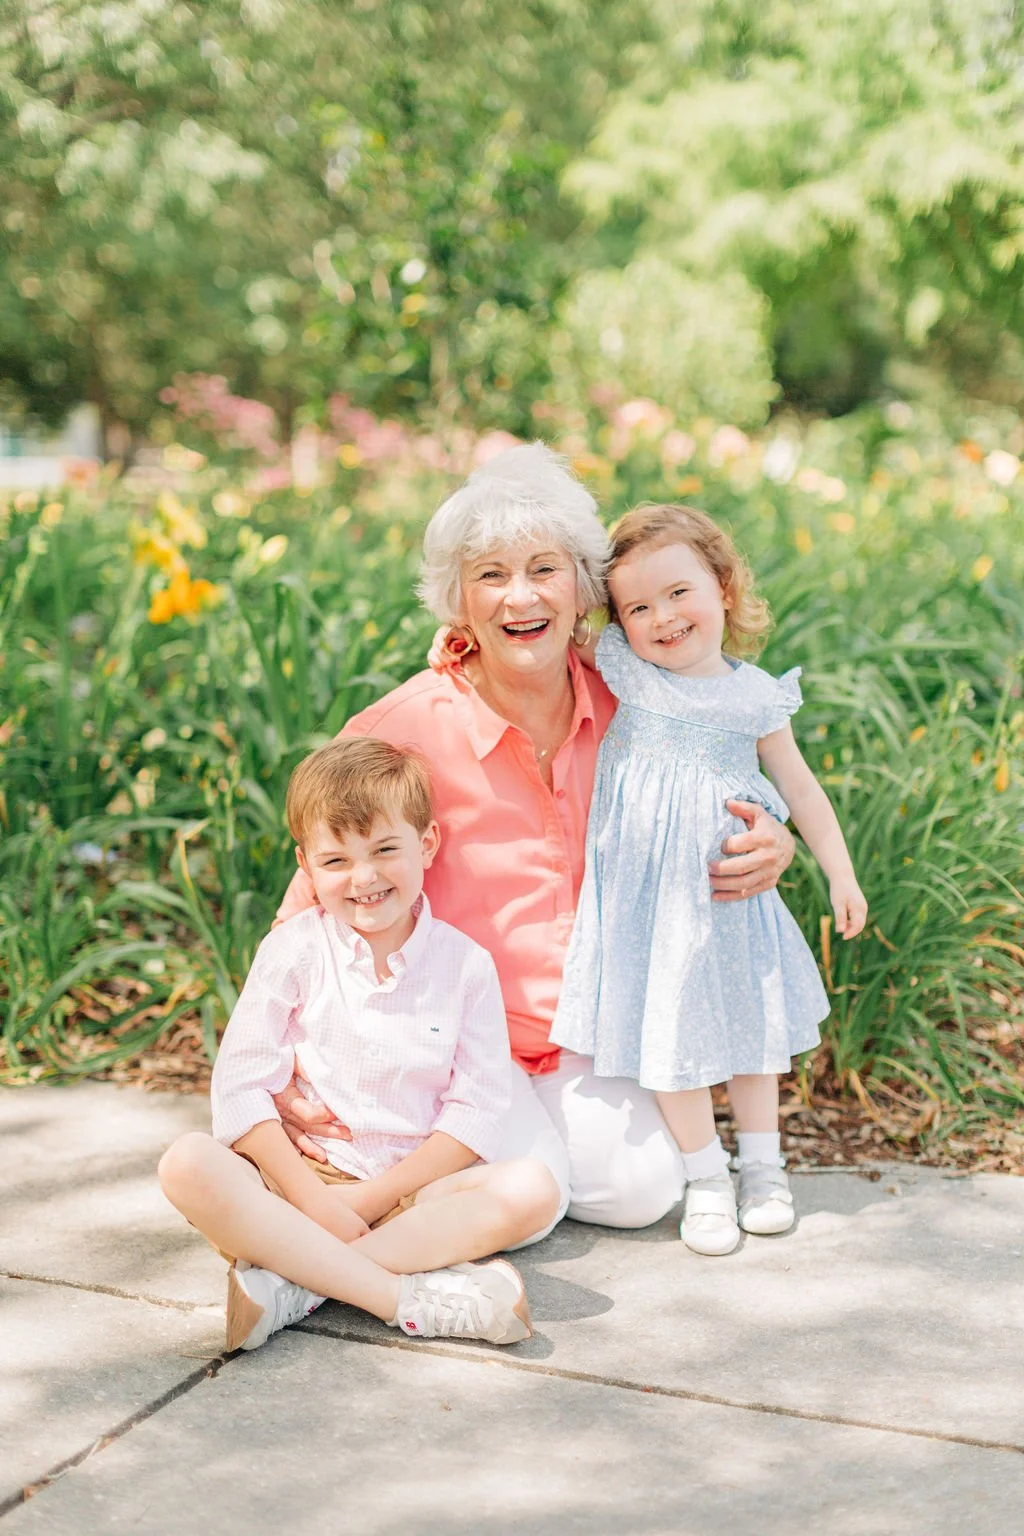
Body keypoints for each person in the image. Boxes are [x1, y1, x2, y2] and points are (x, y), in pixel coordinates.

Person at [271, 444, 797, 1237]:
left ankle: (432, 1191)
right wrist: (284, 1057)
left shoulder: (638, 704)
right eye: (490, 575)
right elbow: (309, 902)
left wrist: (774, 846)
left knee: (643, 1190)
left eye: (544, 569)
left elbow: (732, 779)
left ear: (584, 589)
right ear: (459, 603)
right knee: (537, 1192)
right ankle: (405, 1203)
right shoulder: (400, 731)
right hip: (445, 1036)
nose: (520, 595)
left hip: (575, 1034)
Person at [158, 737, 559, 1351]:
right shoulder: (292, 950)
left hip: (408, 1192)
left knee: (533, 1189)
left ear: (426, 844)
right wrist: (314, 1201)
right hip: (296, 1183)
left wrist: (371, 1199)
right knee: (187, 1162)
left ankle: (296, 1286)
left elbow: (476, 1111)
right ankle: (398, 1297)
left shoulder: (464, 966)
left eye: (385, 850)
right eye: (336, 861)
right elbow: (240, 1089)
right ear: (306, 866)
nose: (363, 877)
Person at [550, 503, 868, 1256]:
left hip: (727, 899)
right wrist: (458, 636)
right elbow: (540, 626)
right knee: (668, 1035)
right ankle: (705, 1177)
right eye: (637, 606)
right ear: (619, 621)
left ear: (723, 586)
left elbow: (802, 790)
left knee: (752, 1037)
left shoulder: (756, 695)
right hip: (646, 908)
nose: (661, 617)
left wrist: (840, 873)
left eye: (679, 592)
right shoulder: (623, 665)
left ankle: (764, 1168)